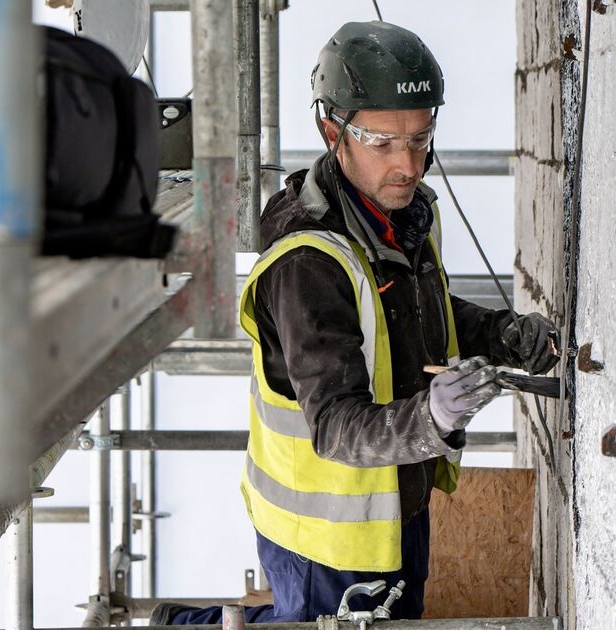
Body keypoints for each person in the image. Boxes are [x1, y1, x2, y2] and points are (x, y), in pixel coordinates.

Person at [155, 21, 558, 624]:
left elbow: (419, 319)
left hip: (396, 500)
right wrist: (433, 417)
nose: (408, 164)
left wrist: (504, 337)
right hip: (328, 538)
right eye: (382, 142)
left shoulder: (402, 212)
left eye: (421, 139)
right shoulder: (309, 268)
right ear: (330, 129)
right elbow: (337, 426)